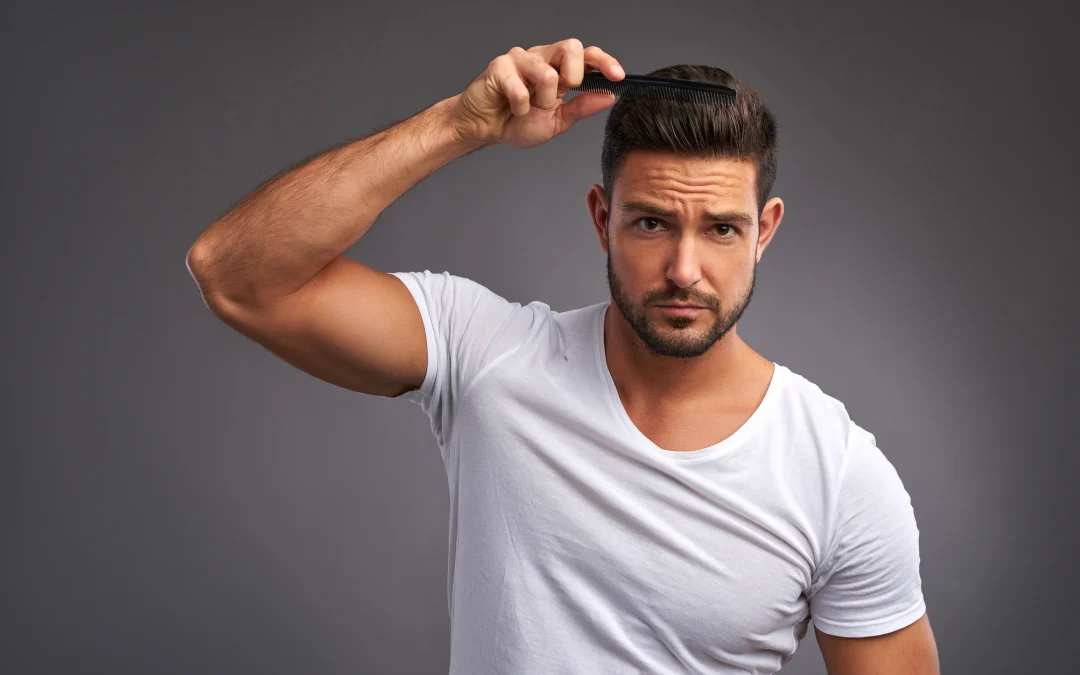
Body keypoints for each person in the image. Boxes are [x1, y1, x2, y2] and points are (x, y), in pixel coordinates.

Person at [186, 39, 940, 674]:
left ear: (764, 231)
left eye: (720, 229)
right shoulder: (487, 355)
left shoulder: (837, 474)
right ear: (600, 217)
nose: (683, 268)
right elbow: (238, 273)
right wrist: (460, 123)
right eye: (650, 223)